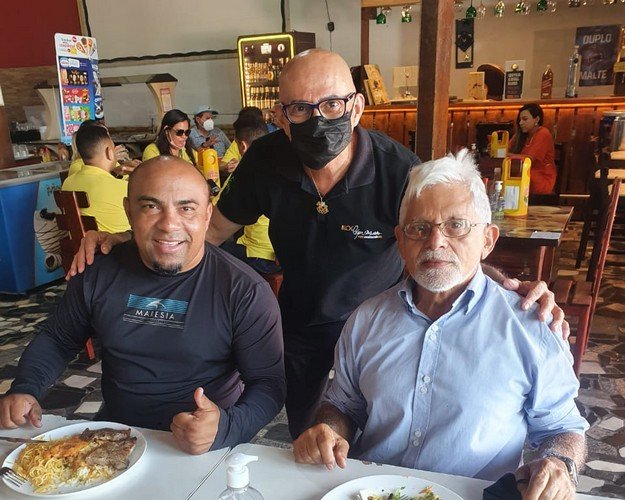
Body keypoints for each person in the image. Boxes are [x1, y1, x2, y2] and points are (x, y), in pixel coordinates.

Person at [69, 49, 565, 440]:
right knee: (308, 432)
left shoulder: (398, 171)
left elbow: (444, 245)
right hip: (301, 318)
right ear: (282, 117)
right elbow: (212, 229)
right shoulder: (266, 160)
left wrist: (510, 287)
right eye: (301, 109)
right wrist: (134, 238)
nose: (317, 118)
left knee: (387, 427)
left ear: (356, 107)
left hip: (383, 321)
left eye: (331, 105)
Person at [293, 150, 587, 500]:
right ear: (401, 242)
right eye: (419, 228)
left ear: (488, 240)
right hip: (376, 492)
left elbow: (562, 427)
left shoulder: (530, 326)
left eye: (456, 225)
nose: (435, 242)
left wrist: (559, 462)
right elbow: (343, 405)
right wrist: (328, 429)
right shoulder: (366, 320)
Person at [1, 156, 285, 455]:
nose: (169, 224)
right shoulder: (99, 271)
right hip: (117, 434)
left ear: (206, 215)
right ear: (128, 211)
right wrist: (25, 388)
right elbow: (58, 339)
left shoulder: (243, 290)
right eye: (151, 206)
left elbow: (268, 383)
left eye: (186, 208)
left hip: (207, 444)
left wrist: (226, 427)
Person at [217, 114, 280, 275]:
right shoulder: (283, 166)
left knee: (212, 251)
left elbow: (217, 208)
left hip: (259, 255)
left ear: (243, 146)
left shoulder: (246, 172)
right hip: (284, 255)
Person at [62, 125, 131, 234]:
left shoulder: (67, 183)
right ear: (109, 152)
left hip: (82, 243)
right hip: (117, 244)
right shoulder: (123, 188)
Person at [509, 103, 557, 195]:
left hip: (540, 177)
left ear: (537, 119)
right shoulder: (519, 135)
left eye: (525, 119)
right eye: (520, 120)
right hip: (524, 174)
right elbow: (506, 150)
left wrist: (508, 156)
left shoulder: (543, 134)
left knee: (509, 179)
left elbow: (530, 159)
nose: (520, 123)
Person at [68, 119, 139, 177]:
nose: (110, 140)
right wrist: (110, 158)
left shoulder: (112, 162)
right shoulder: (78, 167)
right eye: (106, 136)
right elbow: (99, 183)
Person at [219, 107, 266, 176]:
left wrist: (242, 166)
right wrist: (228, 166)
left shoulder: (271, 141)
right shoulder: (238, 142)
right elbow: (222, 165)